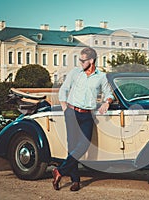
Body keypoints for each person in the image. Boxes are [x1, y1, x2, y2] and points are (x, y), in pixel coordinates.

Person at [52, 47, 114, 191]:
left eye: (83, 60)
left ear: (91, 61)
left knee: (84, 145)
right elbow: (64, 89)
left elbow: (108, 93)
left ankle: (59, 171)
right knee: (72, 146)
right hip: (71, 112)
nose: (80, 62)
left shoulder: (101, 76)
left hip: (87, 114)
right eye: (79, 60)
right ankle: (75, 181)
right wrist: (64, 108)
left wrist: (107, 102)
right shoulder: (75, 73)